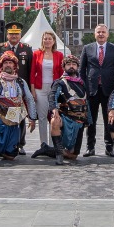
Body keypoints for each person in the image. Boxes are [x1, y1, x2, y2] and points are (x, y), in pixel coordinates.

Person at [0, 52, 36, 163]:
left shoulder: (20, 81)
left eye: (10, 63)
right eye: (5, 63)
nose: (8, 65)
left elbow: (29, 99)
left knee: (10, 156)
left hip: (14, 120)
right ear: (1, 65)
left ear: (15, 66)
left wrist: (32, 118)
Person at [80, 23, 114, 157]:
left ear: (107, 34)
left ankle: (109, 147)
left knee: (108, 119)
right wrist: (83, 89)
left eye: (103, 32)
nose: (101, 34)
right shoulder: (87, 48)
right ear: (94, 34)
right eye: (98, 32)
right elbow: (82, 70)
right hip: (91, 90)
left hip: (109, 90)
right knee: (91, 119)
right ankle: (90, 147)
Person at [29, 29, 63, 159]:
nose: (47, 41)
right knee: (42, 117)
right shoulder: (37, 54)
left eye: (50, 38)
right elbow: (32, 72)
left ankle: (54, 145)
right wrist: (32, 90)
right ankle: (44, 144)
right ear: (42, 40)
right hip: (39, 88)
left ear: (54, 41)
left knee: (53, 118)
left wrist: (60, 90)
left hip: (53, 89)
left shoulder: (59, 55)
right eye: (45, 38)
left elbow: (61, 73)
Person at [48, 56, 89, 162]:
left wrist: (89, 119)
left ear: (77, 67)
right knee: (54, 121)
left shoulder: (82, 83)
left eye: (74, 64)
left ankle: (46, 150)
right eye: (68, 64)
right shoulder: (60, 82)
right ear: (64, 67)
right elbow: (52, 95)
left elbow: (86, 101)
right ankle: (58, 154)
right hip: (65, 117)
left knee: (73, 155)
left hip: (79, 120)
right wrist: (54, 109)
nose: (71, 66)